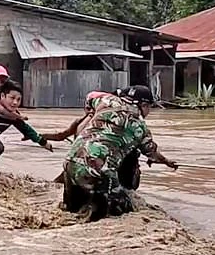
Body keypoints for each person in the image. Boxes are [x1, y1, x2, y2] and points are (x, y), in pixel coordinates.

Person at [62, 85, 178, 221]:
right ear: (143, 105)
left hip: (70, 162)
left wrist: (92, 113)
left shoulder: (106, 100)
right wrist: (167, 162)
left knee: (68, 212)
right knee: (124, 212)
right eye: (149, 107)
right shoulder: (139, 127)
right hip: (100, 170)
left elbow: (90, 96)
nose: (149, 111)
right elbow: (152, 153)